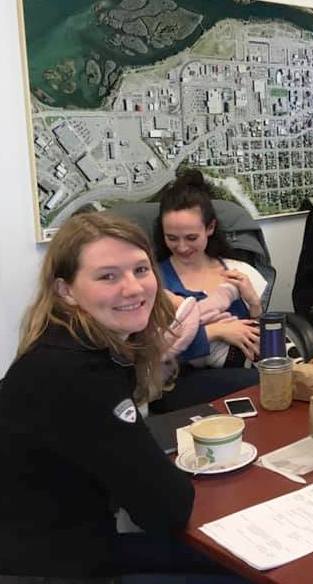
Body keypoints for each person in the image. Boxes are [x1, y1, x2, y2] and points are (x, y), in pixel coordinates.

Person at [0, 213, 208, 579]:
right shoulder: (75, 374)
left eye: (141, 270)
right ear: (66, 291)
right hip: (51, 566)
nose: (133, 288)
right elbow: (166, 510)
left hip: (58, 538)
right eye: (107, 276)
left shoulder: (69, 345)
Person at [155, 169, 266, 368]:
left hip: (248, 372)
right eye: (171, 238)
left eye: (191, 238)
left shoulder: (238, 271)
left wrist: (254, 305)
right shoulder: (153, 281)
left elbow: (262, 343)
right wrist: (216, 332)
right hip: (187, 383)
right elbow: (152, 355)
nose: (182, 247)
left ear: (210, 228)